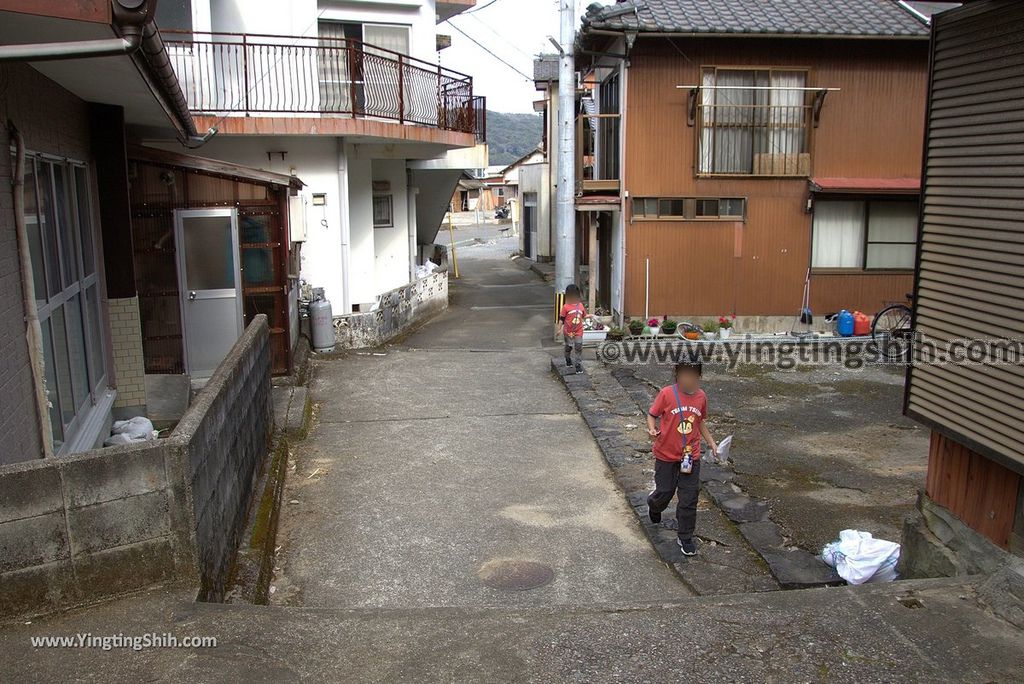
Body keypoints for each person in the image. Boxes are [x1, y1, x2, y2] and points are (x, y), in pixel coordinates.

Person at [645, 357, 718, 556]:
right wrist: (652, 430)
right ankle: (654, 505)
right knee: (665, 491)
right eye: (685, 374)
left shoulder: (701, 397)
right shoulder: (667, 394)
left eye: (693, 375)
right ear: (677, 373)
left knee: (688, 498)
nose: (688, 379)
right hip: (666, 455)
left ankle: (685, 536)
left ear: (699, 376)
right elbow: (652, 414)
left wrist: (711, 442)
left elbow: (700, 422)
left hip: (690, 456)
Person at [557, 284, 586, 374]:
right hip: (568, 331)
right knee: (569, 346)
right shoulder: (565, 307)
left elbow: (584, 315)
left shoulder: (580, 305)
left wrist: (592, 316)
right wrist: (559, 329)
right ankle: (568, 358)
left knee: (578, 346)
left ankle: (578, 365)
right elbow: (562, 319)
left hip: (578, 331)